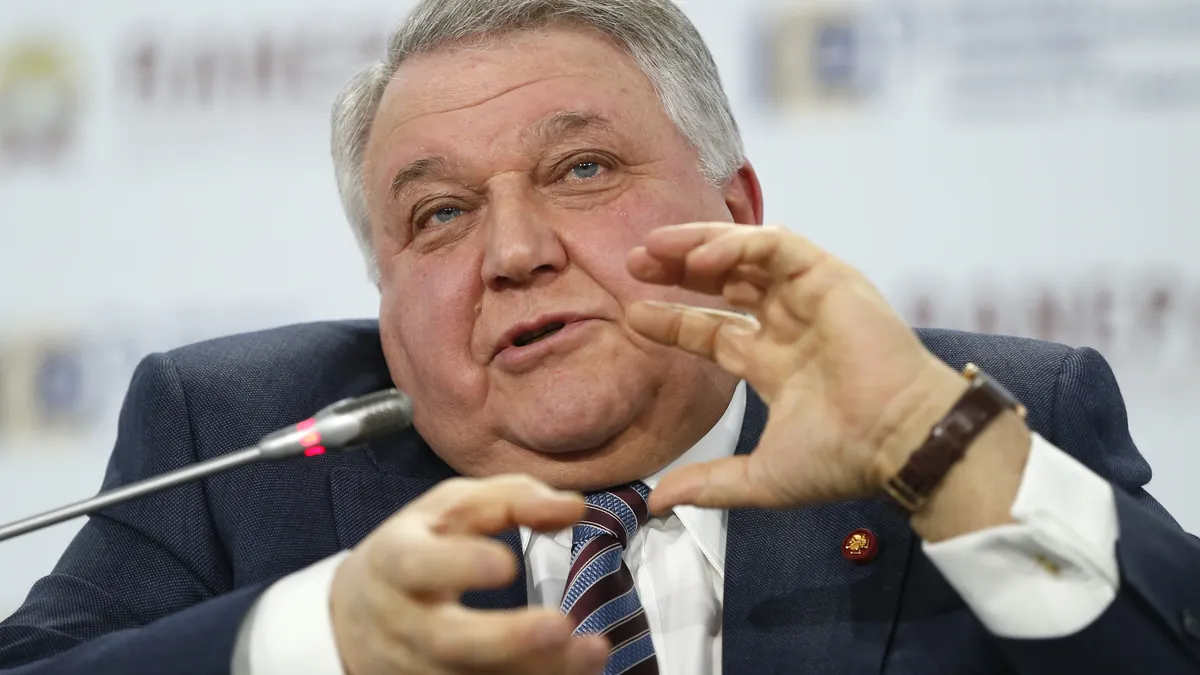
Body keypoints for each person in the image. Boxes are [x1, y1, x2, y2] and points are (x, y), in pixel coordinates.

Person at [2, 0, 1198, 673]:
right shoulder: (237, 447)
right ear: (383, 288)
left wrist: (934, 447)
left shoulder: (978, 413)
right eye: (440, 213)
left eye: (582, 169)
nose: (514, 250)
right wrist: (316, 638)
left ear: (735, 214)